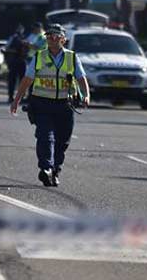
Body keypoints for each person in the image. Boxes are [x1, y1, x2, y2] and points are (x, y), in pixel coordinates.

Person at [10, 23, 89, 187]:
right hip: (42, 104)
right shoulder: (39, 57)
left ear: (63, 40)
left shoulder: (72, 57)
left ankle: (55, 170)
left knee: (62, 141)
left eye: (56, 37)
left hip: (65, 105)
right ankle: (45, 168)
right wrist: (17, 99)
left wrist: (86, 95)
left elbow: (81, 78)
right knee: (45, 137)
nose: (52, 40)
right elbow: (27, 80)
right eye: (49, 37)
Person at [5, 24, 28, 103]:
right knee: (14, 80)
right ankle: (12, 97)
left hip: (19, 61)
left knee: (19, 80)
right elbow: (7, 48)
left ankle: (19, 97)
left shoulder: (24, 38)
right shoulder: (16, 37)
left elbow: (7, 48)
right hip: (16, 61)